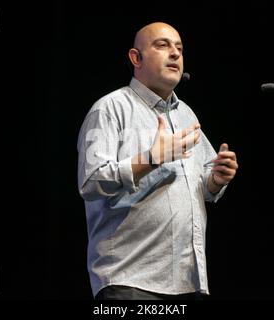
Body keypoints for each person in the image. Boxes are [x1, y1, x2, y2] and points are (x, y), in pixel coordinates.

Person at [77, 22, 238, 300]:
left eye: (179, 48)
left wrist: (214, 181)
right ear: (136, 58)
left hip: (189, 280)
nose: (175, 53)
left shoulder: (186, 115)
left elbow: (200, 189)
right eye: (162, 45)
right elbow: (91, 182)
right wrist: (151, 159)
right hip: (130, 281)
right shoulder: (109, 109)